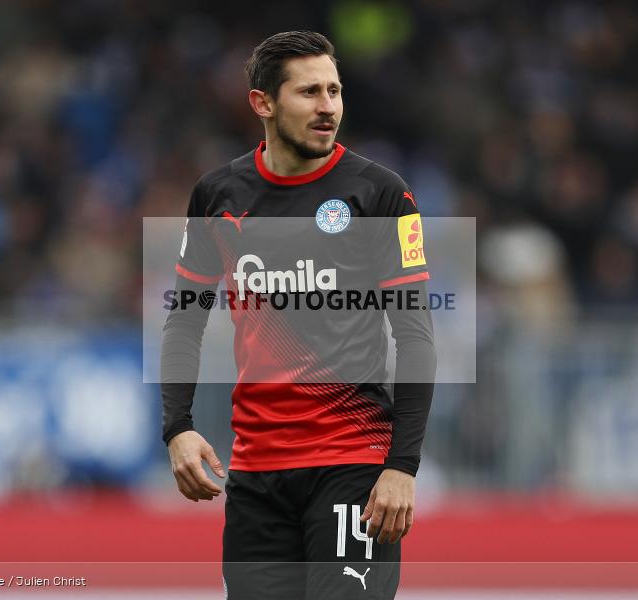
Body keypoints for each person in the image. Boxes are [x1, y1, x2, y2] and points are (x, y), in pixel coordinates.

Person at [160, 31, 436, 599]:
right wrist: (178, 428)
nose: (328, 106)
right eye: (309, 92)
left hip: (353, 462)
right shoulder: (217, 195)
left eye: (334, 90)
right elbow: (184, 319)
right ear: (263, 103)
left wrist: (402, 466)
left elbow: (414, 334)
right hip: (257, 473)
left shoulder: (381, 194)